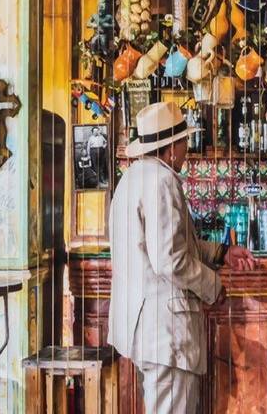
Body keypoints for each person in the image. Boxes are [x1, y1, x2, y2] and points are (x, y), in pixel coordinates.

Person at [106, 101, 257, 413]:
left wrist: (222, 252)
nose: (187, 148)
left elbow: (170, 244)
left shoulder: (131, 178)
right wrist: (212, 287)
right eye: (185, 141)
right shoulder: (162, 182)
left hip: (144, 325)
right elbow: (170, 260)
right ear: (171, 147)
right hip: (165, 330)